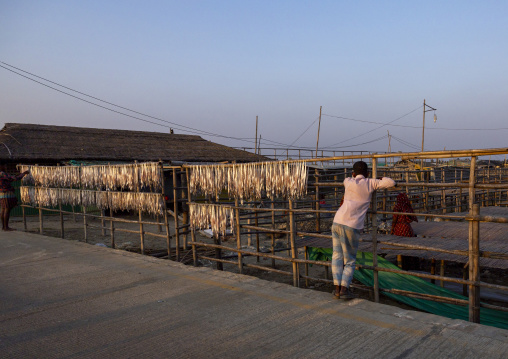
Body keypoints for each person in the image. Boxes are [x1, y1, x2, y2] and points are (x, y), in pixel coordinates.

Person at [331, 161, 396, 299]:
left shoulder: (348, 181)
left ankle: (336, 289)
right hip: (351, 225)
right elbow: (391, 182)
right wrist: (378, 179)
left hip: (337, 221)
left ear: (353, 173)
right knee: (349, 260)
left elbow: (348, 179)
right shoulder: (370, 183)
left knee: (337, 256)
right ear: (367, 174)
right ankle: (344, 290)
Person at [0, 163, 29, 231]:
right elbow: (14, 178)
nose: (6, 167)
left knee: (3, 209)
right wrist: (23, 174)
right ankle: (6, 227)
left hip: (1, 194)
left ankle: (4, 226)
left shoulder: (2, 174)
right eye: (4, 166)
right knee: (7, 209)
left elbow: (10, 179)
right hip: (6, 194)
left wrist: (19, 174)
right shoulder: (2, 173)